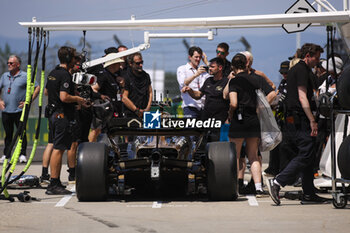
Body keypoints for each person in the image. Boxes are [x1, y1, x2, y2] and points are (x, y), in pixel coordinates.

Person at [267, 43, 328, 205]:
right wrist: (312, 120)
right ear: (308, 56)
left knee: (308, 155)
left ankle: (308, 193)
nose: (318, 61)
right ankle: (278, 182)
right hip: (299, 118)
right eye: (316, 57)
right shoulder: (301, 70)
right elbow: (302, 97)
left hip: (294, 119)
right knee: (307, 152)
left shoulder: (303, 70)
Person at [45, 46, 87, 195]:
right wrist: (78, 99)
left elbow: (46, 92)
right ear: (69, 59)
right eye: (75, 58)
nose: (76, 61)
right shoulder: (65, 75)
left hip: (53, 114)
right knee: (59, 149)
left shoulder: (53, 73)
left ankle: (54, 182)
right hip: (62, 115)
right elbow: (64, 97)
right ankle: (54, 183)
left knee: (57, 147)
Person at [227, 53, 263, 196]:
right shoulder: (255, 80)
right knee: (253, 156)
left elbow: (233, 103)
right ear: (246, 64)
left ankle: (235, 186)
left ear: (233, 66)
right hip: (253, 119)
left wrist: (230, 113)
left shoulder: (234, 81)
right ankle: (258, 187)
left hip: (238, 120)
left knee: (235, 155)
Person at [0, 55, 40, 164]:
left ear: (18, 64)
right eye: (8, 63)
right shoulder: (4, 76)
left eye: (11, 63)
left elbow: (37, 87)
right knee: (8, 134)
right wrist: (0, 101)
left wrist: (29, 101)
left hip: (19, 111)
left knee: (21, 133)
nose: (9, 64)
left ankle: (22, 154)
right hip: (6, 110)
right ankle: (6, 154)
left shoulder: (25, 76)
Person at [182, 57, 229, 141]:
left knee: (217, 145)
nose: (209, 68)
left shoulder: (226, 82)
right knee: (203, 144)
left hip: (220, 120)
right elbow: (198, 95)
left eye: (212, 67)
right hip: (206, 120)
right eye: (209, 66)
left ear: (220, 68)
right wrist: (190, 90)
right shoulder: (208, 80)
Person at [177, 46, 209, 118]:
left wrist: (207, 63)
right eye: (196, 57)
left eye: (200, 57)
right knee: (190, 129)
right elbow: (183, 83)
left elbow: (214, 78)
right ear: (190, 57)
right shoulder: (182, 69)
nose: (198, 59)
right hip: (190, 106)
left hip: (204, 107)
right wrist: (196, 74)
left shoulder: (204, 71)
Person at [122, 52, 152, 118]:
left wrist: (148, 108)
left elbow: (150, 92)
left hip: (145, 112)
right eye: (138, 63)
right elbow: (124, 97)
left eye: (142, 62)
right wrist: (136, 110)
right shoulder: (126, 76)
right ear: (130, 64)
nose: (141, 65)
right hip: (130, 113)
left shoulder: (146, 76)